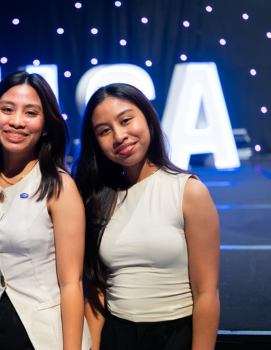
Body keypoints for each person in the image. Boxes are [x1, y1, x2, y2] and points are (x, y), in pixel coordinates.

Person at [0, 71, 92, 350]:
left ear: (46, 125)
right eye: (7, 109)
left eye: (31, 112)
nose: (16, 121)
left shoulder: (59, 186)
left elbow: (72, 285)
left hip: (48, 336)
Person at [72, 83, 220, 350]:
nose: (119, 136)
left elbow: (206, 293)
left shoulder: (189, 191)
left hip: (174, 335)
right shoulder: (99, 199)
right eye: (104, 131)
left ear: (148, 115)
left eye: (126, 120)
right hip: (116, 336)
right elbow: (97, 292)